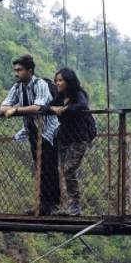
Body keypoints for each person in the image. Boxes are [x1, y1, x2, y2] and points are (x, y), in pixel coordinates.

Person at [0, 54, 60, 215]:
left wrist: (16, 110)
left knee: (50, 167)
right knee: (39, 167)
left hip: (49, 130)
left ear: (29, 71)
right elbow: (3, 107)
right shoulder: (17, 87)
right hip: (33, 131)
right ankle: (42, 205)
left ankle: (53, 205)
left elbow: (39, 106)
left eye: (19, 70)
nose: (16, 73)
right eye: (16, 70)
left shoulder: (39, 84)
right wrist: (12, 109)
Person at [39, 67, 97, 215]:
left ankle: (75, 206)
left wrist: (65, 109)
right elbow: (47, 107)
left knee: (69, 169)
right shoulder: (59, 98)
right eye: (56, 81)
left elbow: (83, 106)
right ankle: (65, 206)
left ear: (68, 81)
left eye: (60, 80)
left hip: (79, 138)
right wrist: (52, 109)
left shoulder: (78, 94)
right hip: (64, 139)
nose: (57, 83)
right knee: (63, 171)